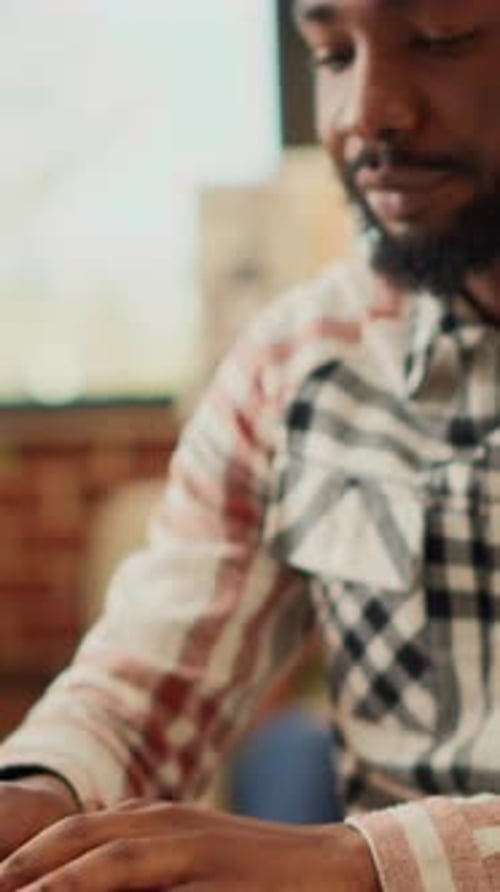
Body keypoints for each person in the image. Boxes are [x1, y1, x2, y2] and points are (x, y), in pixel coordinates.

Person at [0, 0, 499, 888]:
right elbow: (148, 678)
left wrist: (357, 862)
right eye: (332, 52)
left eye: (442, 38)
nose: (365, 112)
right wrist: (43, 791)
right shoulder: (296, 362)